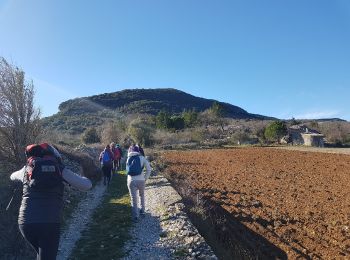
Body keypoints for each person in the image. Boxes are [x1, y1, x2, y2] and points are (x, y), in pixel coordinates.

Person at [10, 143, 92, 260]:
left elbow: (12, 176)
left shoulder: (26, 169)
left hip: (25, 224)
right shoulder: (59, 169)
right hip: (49, 224)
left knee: (41, 254)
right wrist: (84, 177)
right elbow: (86, 185)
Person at [126, 145, 151, 222]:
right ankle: (142, 211)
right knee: (142, 195)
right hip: (141, 180)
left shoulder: (128, 159)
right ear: (138, 151)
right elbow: (149, 169)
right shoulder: (142, 158)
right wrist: (145, 178)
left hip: (131, 180)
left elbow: (127, 171)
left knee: (133, 198)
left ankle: (135, 216)